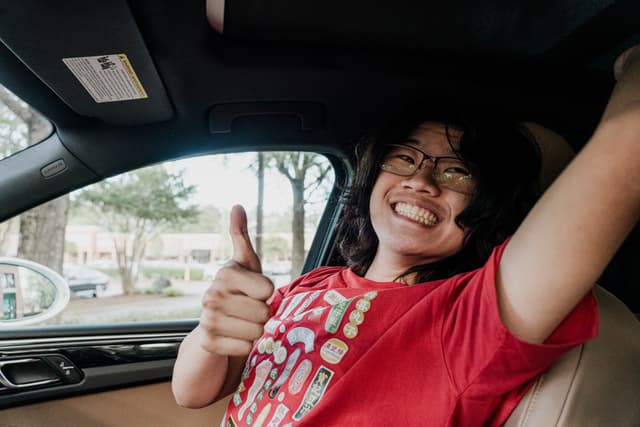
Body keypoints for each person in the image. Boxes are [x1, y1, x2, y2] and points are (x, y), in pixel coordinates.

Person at [172, 46, 640, 426]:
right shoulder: (312, 285)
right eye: (405, 158)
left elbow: (625, 152)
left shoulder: (467, 318)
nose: (421, 180)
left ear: (487, 208)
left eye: (457, 172)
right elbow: (192, 393)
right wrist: (210, 334)